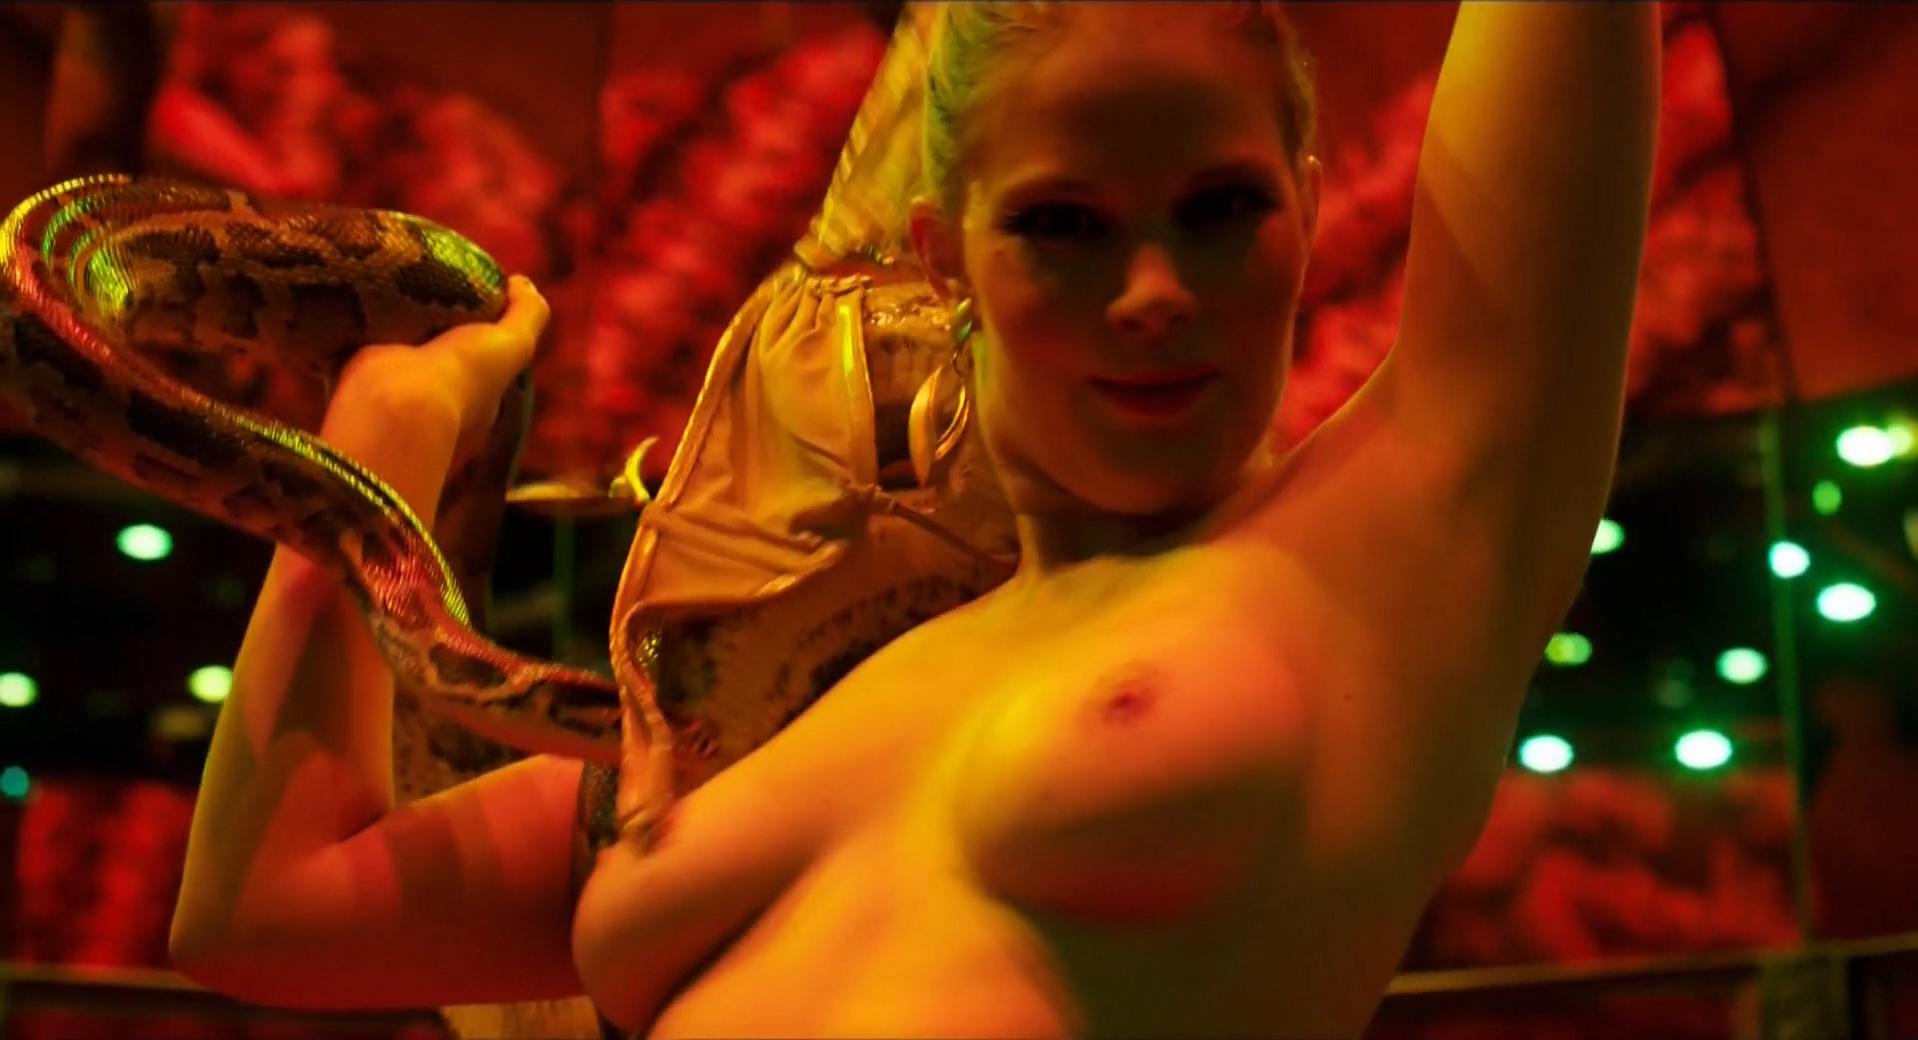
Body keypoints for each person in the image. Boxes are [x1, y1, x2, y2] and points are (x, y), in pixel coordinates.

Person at [167, 2, 1660, 1037]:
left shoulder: (1390, 548)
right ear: (949, 260)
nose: (1154, 293)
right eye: (1063, 226)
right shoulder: (768, 728)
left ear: (1312, 211)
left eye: (1221, 209)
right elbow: (267, 916)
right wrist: (382, 443)